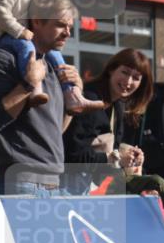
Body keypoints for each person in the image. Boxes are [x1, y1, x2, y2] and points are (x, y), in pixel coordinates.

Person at [0, 0, 84, 196]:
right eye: (60, 25)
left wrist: (74, 94)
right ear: (37, 21)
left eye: (70, 27)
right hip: (19, 182)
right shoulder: (4, 59)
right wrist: (29, 83)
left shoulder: (51, 65)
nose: (67, 33)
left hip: (53, 183)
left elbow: (55, 129)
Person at [62, 48, 153, 194]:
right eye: (125, 72)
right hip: (63, 188)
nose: (128, 81)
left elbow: (110, 155)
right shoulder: (90, 99)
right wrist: (115, 159)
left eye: (136, 77)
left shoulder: (117, 105)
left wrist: (130, 158)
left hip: (83, 188)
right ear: (111, 69)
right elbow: (73, 154)